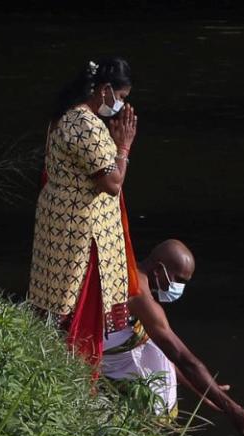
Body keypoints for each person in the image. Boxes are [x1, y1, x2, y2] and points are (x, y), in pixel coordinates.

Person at [27, 57, 140, 364]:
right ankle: (70, 370)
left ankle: (49, 360)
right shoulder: (85, 125)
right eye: (122, 98)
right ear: (105, 90)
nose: (121, 105)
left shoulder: (69, 116)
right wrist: (124, 147)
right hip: (82, 232)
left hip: (62, 221)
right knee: (75, 304)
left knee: (55, 298)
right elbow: (112, 183)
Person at [102, 240, 244, 436]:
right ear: (159, 270)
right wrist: (233, 409)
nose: (179, 288)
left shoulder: (132, 272)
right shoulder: (139, 294)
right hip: (101, 356)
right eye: (179, 280)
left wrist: (203, 388)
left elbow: (169, 356)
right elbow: (184, 359)